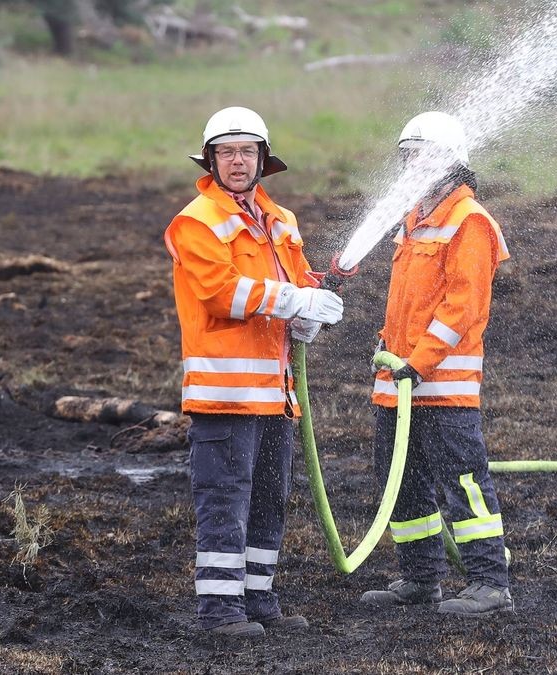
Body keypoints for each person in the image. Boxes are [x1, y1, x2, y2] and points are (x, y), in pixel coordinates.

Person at [164, 106, 344, 637]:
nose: (237, 161)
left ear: (263, 159)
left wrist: (311, 309)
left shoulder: (281, 221)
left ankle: (259, 599)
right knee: (225, 500)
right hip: (224, 397)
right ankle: (220, 613)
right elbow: (222, 293)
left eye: (247, 151)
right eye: (227, 152)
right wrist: (291, 299)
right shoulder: (196, 221)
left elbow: (296, 282)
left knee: (268, 500)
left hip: (277, 397)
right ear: (211, 160)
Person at [360, 111, 515, 617]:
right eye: (407, 157)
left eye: (423, 156)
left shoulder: (468, 221)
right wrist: (389, 350)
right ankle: (421, 579)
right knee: (401, 483)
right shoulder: (413, 220)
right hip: (398, 382)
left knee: (463, 481)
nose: (413, 165)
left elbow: (462, 308)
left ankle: (490, 584)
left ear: (452, 163)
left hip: (441, 386)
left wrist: (419, 363)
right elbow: (408, 302)